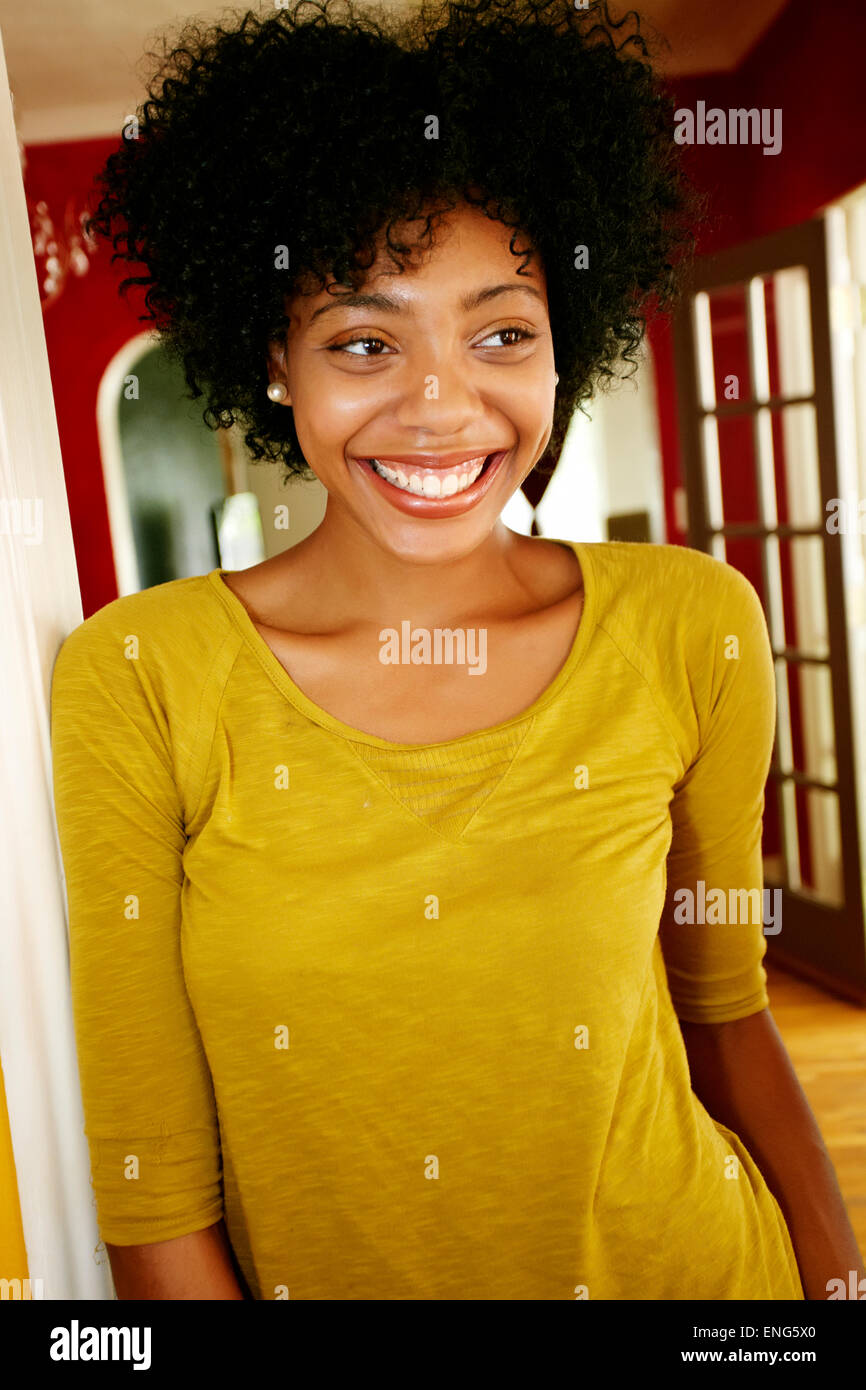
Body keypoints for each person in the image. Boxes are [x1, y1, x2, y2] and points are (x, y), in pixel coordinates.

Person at [50, 0, 863, 1300]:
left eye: (500, 333)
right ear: (275, 361)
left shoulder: (688, 621)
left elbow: (726, 1012)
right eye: (365, 342)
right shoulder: (139, 674)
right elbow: (154, 1186)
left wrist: (836, 1291)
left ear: (564, 344)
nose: (441, 408)